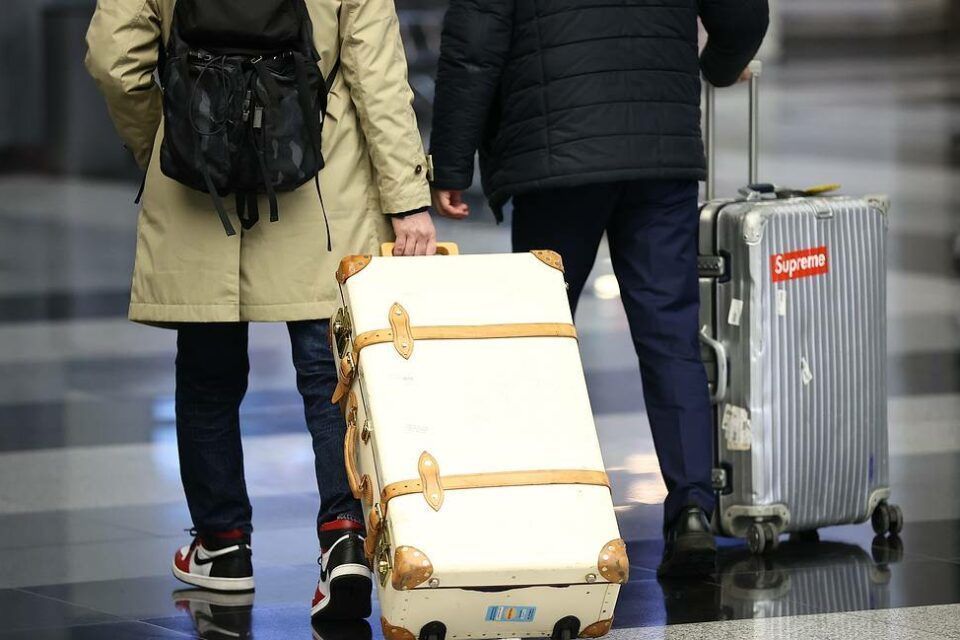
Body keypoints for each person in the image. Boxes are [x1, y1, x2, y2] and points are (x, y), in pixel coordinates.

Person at [85, 0, 436, 620]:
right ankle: (344, 539)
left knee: (207, 373)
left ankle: (221, 545)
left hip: (200, 180)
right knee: (331, 376)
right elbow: (377, 76)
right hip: (322, 183)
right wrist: (408, 200)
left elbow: (114, 60)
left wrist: (169, 142)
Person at [429, 0, 768, 578]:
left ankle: (546, 507)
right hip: (659, 151)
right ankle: (692, 509)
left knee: (540, 340)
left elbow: (473, 50)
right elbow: (742, 15)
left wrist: (452, 164)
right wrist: (714, 67)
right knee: (671, 338)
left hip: (555, 157)